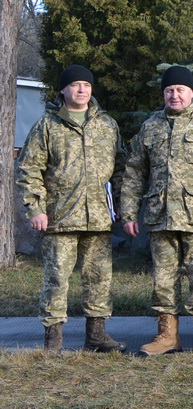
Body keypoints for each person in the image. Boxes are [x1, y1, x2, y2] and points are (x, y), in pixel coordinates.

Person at [121, 66, 193, 355]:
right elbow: (134, 173)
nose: (174, 95)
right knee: (163, 278)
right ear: (163, 93)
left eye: (180, 89)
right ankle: (167, 337)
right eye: (169, 90)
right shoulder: (150, 126)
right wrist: (129, 212)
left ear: (192, 92)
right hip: (160, 216)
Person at [17, 65, 127, 353]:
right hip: (59, 217)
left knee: (99, 278)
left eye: (86, 86)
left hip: (99, 218)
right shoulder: (47, 126)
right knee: (56, 278)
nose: (82, 90)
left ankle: (97, 335)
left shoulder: (107, 124)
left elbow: (120, 169)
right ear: (63, 90)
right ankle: (53, 339)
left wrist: (122, 209)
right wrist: (35, 209)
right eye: (76, 85)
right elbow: (29, 170)